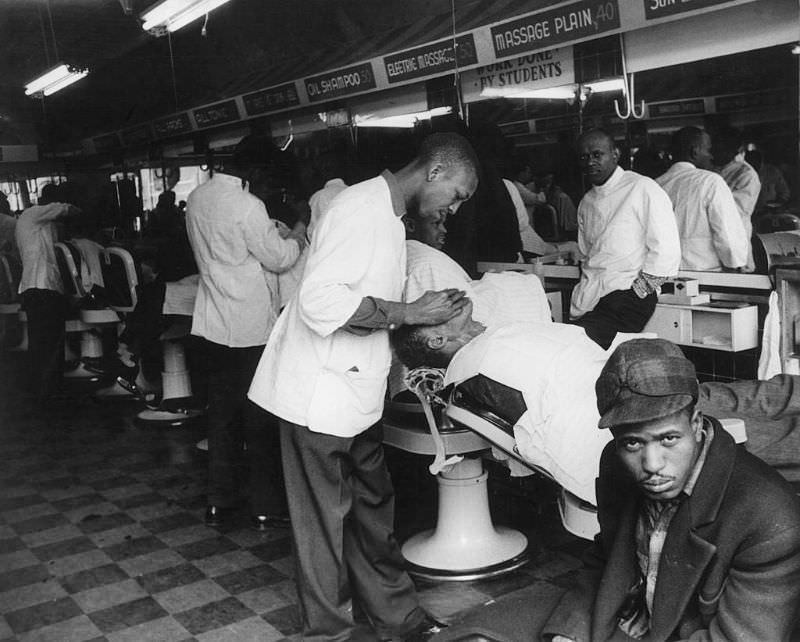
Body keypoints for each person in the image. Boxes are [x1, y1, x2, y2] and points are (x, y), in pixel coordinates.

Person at [247, 132, 478, 641]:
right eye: (457, 195)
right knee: (323, 526)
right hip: (317, 395)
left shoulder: (391, 219)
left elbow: (368, 300)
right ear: (435, 171)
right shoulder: (359, 208)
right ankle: (328, 633)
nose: (453, 208)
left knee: (373, 510)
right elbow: (321, 302)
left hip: (359, 392)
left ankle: (398, 620)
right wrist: (412, 312)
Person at [542, 338, 800, 642]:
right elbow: (606, 558)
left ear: (696, 423)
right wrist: (568, 634)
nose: (651, 465)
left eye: (668, 439)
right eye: (632, 443)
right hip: (633, 624)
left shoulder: (770, 517)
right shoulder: (615, 463)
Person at [186, 135, 308, 531]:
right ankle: (266, 505)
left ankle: (220, 501)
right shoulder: (248, 205)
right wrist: (298, 231)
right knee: (259, 418)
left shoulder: (197, 198)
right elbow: (278, 259)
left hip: (211, 320)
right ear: (256, 171)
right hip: (250, 327)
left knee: (220, 416)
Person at [392, 309, 622, 504]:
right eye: (436, 306)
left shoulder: (493, 344)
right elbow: (556, 414)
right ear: (437, 340)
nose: (447, 297)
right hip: (607, 441)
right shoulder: (481, 367)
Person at [569, 129, 680, 350]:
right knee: (574, 355)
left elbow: (667, 249)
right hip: (589, 296)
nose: (590, 162)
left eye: (597, 154)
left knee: (577, 350)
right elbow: (587, 253)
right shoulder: (586, 202)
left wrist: (638, 293)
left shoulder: (642, 188)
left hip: (626, 296)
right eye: (584, 157)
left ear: (615, 154)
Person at [15, 183, 81, 404]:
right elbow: (66, 208)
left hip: (40, 287)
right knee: (49, 341)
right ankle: (49, 390)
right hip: (40, 286)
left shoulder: (41, 223)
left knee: (42, 341)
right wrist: (84, 209)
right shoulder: (33, 214)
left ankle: (41, 387)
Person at [656, 127, 748, 271]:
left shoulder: (655, 185)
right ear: (695, 151)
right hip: (708, 277)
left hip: (665, 278)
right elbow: (729, 238)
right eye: (708, 150)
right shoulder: (711, 182)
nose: (711, 156)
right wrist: (737, 266)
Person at [716, 127, 760, 271]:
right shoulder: (716, 170)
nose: (713, 151)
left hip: (736, 239)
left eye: (719, 146)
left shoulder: (746, 174)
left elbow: (734, 212)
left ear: (736, 148)